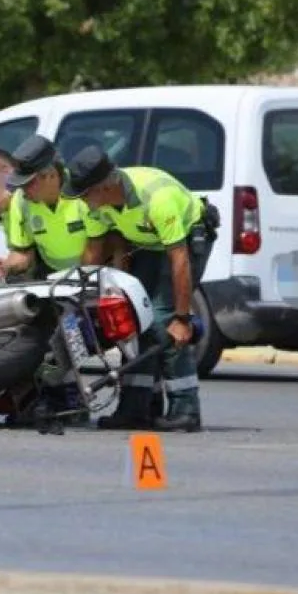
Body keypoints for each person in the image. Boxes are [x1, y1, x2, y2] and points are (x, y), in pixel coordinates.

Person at [62, 145, 219, 432]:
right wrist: (83, 301)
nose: (82, 201)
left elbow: (179, 259)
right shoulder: (95, 206)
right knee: (131, 320)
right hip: (148, 243)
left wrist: (182, 319)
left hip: (186, 242)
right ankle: (138, 406)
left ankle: (186, 408)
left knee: (162, 321)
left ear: (106, 186)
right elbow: (93, 254)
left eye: (85, 193)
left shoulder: (157, 198)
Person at [0, 135, 124, 426]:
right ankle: (48, 393)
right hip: (53, 283)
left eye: (29, 182)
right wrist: (6, 264)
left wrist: (79, 286)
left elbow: (99, 249)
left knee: (68, 330)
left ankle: (71, 395)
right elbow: (22, 253)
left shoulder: (81, 196)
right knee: (25, 326)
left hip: (93, 277)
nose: (24, 190)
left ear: (50, 175)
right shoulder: (22, 203)